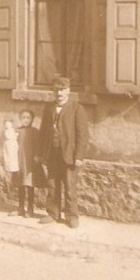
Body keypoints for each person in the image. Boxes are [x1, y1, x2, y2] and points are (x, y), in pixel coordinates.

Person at [38, 76, 88, 228]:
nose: (59, 93)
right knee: (52, 184)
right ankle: (53, 213)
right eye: (56, 90)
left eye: (62, 90)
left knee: (70, 186)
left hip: (69, 155)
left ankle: (72, 216)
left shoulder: (76, 108)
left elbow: (82, 134)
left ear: (68, 91)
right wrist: (40, 153)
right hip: (52, 153)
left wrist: (79, 156)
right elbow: (43, 132)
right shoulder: (49, 108)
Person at [9, 108, 42, 218]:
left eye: (28, 118)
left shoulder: (34, 131)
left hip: (29, 163)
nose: (26, 120)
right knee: (20, 185)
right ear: (20, 119)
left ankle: (30, 209)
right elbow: (11, 144)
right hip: (19, 162)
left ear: (32, 119)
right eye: (23, 117)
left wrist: (37, 156)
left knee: (29, 185)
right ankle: (20, 208)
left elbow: (38, 146)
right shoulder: (17, 131)